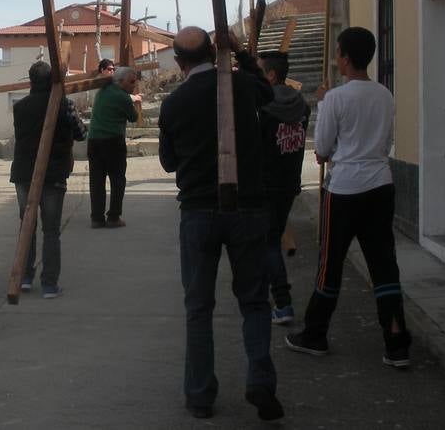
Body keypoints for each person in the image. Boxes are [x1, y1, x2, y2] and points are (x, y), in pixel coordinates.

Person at [158, 28, 283, 423]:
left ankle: (199, 395)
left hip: (197, 211)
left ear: (179, 62)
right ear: (216, 52)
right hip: (248, 208)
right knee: (255, 301)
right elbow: (270, 93)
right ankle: (260, 379)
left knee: (198, 307)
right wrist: (244, 53)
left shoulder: (175, 102)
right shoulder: (244, 86)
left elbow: (168, 162)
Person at [285, 26, 411, 368]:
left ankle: (315, 333)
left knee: (330, 263)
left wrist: (325, 104)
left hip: (344, 189)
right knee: (384, 262)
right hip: (380, 183)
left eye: (338, 52)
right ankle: (396, 338)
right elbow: (386, 144)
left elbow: (323, 149)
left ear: (346, 56)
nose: (336, 58)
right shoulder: (385, 94)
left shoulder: (336, 98)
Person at [236, 50, 310, 326]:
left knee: (267, 244)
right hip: (289, 183)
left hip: (264, 184)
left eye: (258, 71)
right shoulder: (302, 106)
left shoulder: (263, 109)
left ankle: (282, 301)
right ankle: (271, 297)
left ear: (271, 75)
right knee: (272, 239)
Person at [9, 60, 86, 298]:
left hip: (23, 173)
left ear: (30, 81)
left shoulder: (20, 107)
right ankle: (49, 284)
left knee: (27, 226)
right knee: (51, 229)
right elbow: (81, 134)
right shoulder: (63, 105)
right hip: (53, 175)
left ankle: (25, 277)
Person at [87, 65, 140, 228]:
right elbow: (133, 117)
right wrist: (136, 100)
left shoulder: (103, 90)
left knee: (97, 180)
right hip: (112, 141)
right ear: (120, 81)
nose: (133, 85)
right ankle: (114, 217)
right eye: (131, 82)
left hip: (94, 140)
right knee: (117, 180)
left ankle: (97, 218)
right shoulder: (122, 97)